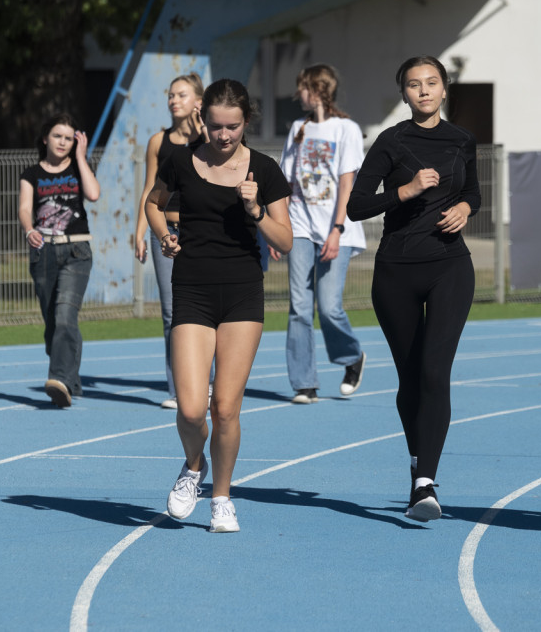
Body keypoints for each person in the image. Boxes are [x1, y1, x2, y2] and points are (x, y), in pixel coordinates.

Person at [145, 79, 292, 533]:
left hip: (242, 293)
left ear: (245, 122)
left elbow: (285, 239)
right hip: (192, 288)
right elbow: (153, 204)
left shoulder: (264, 170)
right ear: (202, 121)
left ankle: (223, 497)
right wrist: (165, 236)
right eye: (214, 127)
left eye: (231, 127)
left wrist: (256, 213)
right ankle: (194, 467)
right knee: (191, 409)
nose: (223, 136)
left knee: (225, 407)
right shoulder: (180, 159)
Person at [346, 55, 480, 523]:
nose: (423, 91)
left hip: (450, 267)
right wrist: (403, 191)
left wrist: (465, 206)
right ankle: (416, 462)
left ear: (445, 89)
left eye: (431, 83)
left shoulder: (463, 139)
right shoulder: (391, 141)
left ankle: (425, 482)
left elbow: (475, 192)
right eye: (413, 85)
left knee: (434, 372)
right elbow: (356, 205)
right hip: (397, 271)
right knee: (410, 378)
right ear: (403, 94)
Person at [275, 63, 367, 405]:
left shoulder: (346, 129)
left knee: (328, 307)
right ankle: (304, 383)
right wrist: (279, 227)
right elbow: (286, 182)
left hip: (334, 228)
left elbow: (347, 182)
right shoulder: (297, 127)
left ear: (316, 90)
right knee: (299, 306)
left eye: (301, 87)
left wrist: (337, 230)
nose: (297, 94)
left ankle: (351, 356)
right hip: (298, 225)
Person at [134, 73, 210, 409]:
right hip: (164, 230)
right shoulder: (157, 142)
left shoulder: (211, 138)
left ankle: (208, 383)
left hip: (203, 231)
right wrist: (140, 230)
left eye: (181, 95)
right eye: (170, 95)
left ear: (198, 101)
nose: (173, 100)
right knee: (171, 313)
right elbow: (150, 190)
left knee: (206, 310)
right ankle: (178, 389)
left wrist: (204, 128)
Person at [18, 114, 101, 409]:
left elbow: (93, 194)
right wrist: (29, 230)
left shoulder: (78, 170)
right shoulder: (32, 174)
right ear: (45, 139)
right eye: (58, 136)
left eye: (68, 138)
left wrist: (81, 156)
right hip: (44, 253)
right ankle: (71, 377)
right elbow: (25, 208)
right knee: (54, 325)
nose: (63, 142)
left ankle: (59, 380)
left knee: (66, 315)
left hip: (77, 251)